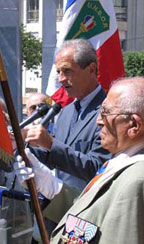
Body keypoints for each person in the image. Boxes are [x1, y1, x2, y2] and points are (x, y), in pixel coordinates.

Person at [14, 76, 144, 244]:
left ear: (133, 125)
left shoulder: (140, 180)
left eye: (106, 112)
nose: (99, 120)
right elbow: (96, 221)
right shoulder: (125, 162)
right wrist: (52, 187)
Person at [23, 39, 111, 193]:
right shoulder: (65, 111)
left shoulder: (110, 112)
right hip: (57, 206)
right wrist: (22, 146)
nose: (61, 79)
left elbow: (98, 168)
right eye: (58, 72)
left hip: (86, 209)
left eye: (67, 71)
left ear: (91, 69)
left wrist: (50, 143)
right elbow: (54, 159)